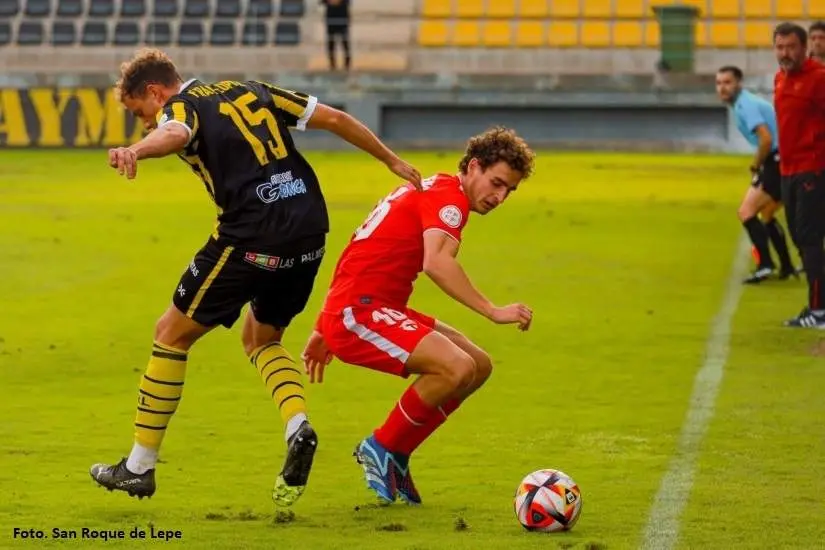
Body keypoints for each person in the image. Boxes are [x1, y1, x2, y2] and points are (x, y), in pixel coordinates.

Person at [89, 48, 422, 505]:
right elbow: (337, 119)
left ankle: (139, 467)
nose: (144, 121)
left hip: (252, 235)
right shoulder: (251, 89)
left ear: (154, 91)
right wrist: (391, 161)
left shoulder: (181, 106)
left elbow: (173, 132)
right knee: (262, 339)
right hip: (309, 230)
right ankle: (297, 427)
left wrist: (136, 150)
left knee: (169, 334)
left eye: (138, 111)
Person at [301, 127, 535, 504]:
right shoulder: (450, 200)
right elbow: (437, 263)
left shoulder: (438, 188)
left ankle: (397, 455)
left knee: (478, 364)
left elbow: (360, 245)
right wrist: (493, 310)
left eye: (510, 190)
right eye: (497, 183)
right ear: (473, 166)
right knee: (456, 367)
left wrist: (321, 327)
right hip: (361, 310)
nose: (501, 196)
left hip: (371, 307)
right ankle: (380, 445)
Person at [715, 65, 798, 283]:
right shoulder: (743, 103)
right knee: (767, 214)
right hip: (783, 157)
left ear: (738, 84)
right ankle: (787, 267)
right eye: (719, 83)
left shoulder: (745, 105)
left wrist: (756, 165)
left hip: (777, 159)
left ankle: (765, 265)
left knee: (746, 212)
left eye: (727, 83)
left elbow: (767, 139)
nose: (722, 88)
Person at [773, 23, 825, 328]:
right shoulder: (779, 79)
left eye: (791, 47)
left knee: (809, 238)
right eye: (780, 47)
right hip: (788, 170)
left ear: (804, 48)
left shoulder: (818, 79)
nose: (785, 53)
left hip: (812, 169)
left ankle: (819, 311)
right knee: (799, 237)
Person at [321, 0, 350, 71]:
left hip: (342, 14)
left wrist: (339, 2)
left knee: (344, 40)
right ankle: (332, 63)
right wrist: (330, 2)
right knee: (331, 41)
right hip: (331, 15)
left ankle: (347, 63)